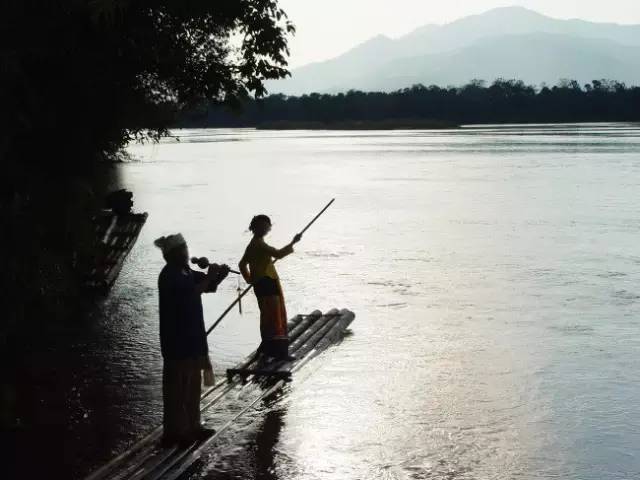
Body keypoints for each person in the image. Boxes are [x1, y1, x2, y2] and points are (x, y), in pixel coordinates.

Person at [154, 233, 230, 446]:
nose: (187, 253)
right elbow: (192, 293)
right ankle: (175, 433)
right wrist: (209, 276)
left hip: (193, 335)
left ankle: (193, 426)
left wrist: (219, 275)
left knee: (192, 385)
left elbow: (209, 287)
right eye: (183, 250)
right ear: (172, 255)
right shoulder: (169, 275)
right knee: (177, 388)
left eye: (186, 248)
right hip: (176, 339)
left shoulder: (186, 271)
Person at [238, 215, 301, 360]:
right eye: (262, 226)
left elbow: (242, 264)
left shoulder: (254, 244)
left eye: (266, 225)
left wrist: (250, 279)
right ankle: (277, 352)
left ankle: (270, 350)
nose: (265, 228)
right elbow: (278, 254)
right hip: (266, 283)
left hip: (263, 283)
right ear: (255, 228)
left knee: (270, 316)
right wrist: (293, 242)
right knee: (273, 316)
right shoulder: (258, 244)